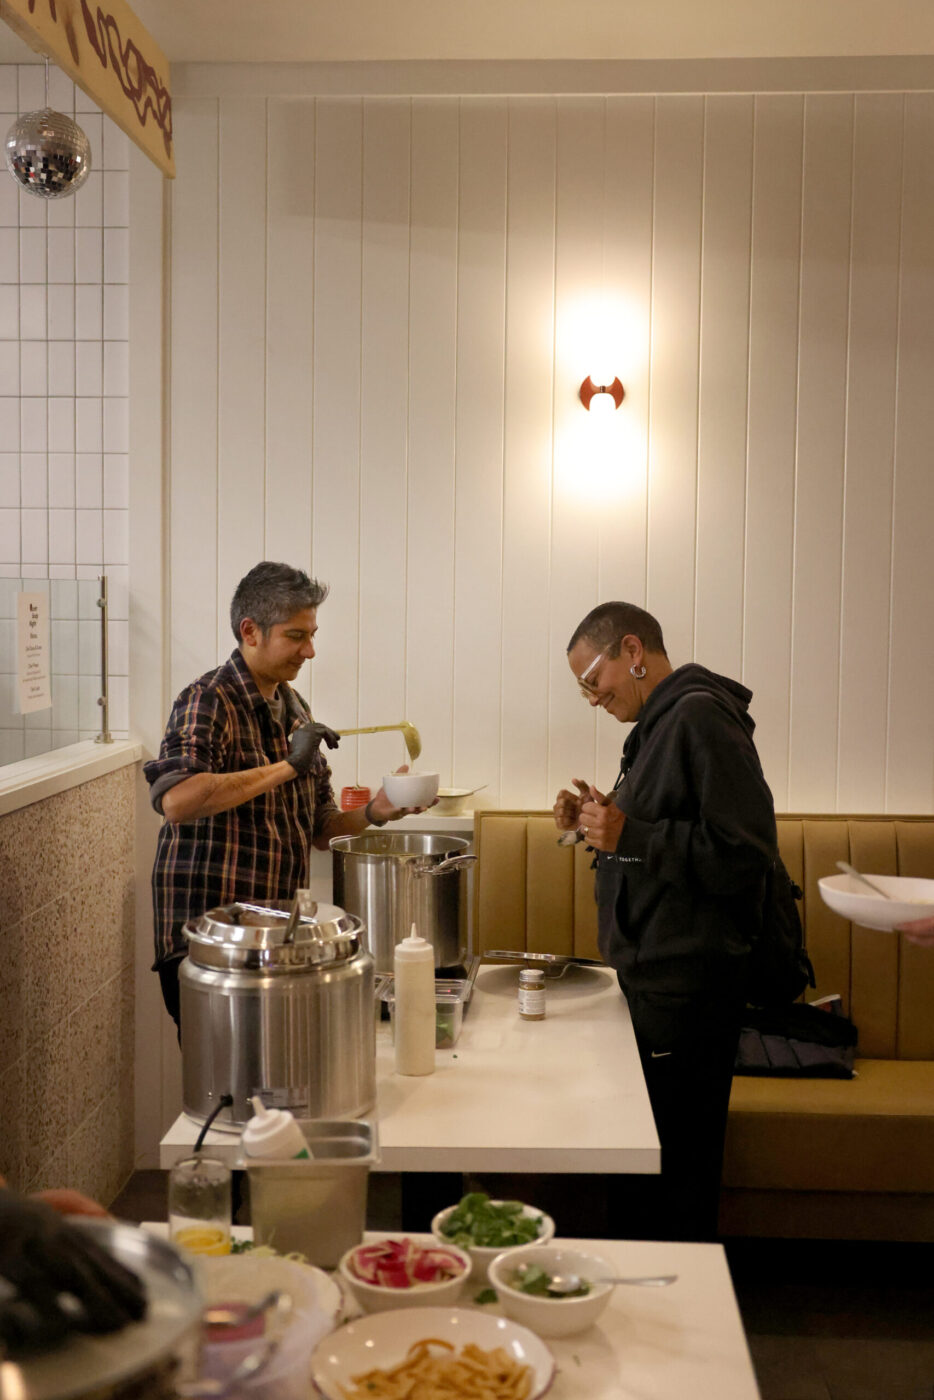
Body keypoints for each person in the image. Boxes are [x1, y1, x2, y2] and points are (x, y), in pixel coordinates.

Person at [553, 601, 778, 1242]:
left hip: (690, 984)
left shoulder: (699, 716)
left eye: (592, 680)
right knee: (653, 1160)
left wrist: (628, 832)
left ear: (632, 650)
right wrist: (601, 818)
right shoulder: (659, 725)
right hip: (658, 980)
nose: (591, 697)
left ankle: (680, 1313)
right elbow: (658, 831)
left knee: (677, 1168)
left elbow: (744, 853)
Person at [145, 561, 429, 1030]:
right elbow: (177, 799)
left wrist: (379, 809)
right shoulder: (208, 699)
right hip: (211, 944)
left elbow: (322, 829)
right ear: (250, 631)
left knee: (273, 1088)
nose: (310, 651)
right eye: (297, 636)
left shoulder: (295, 707)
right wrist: (286, 766)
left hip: (272, 940)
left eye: (312, 634)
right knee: (232, 1087)